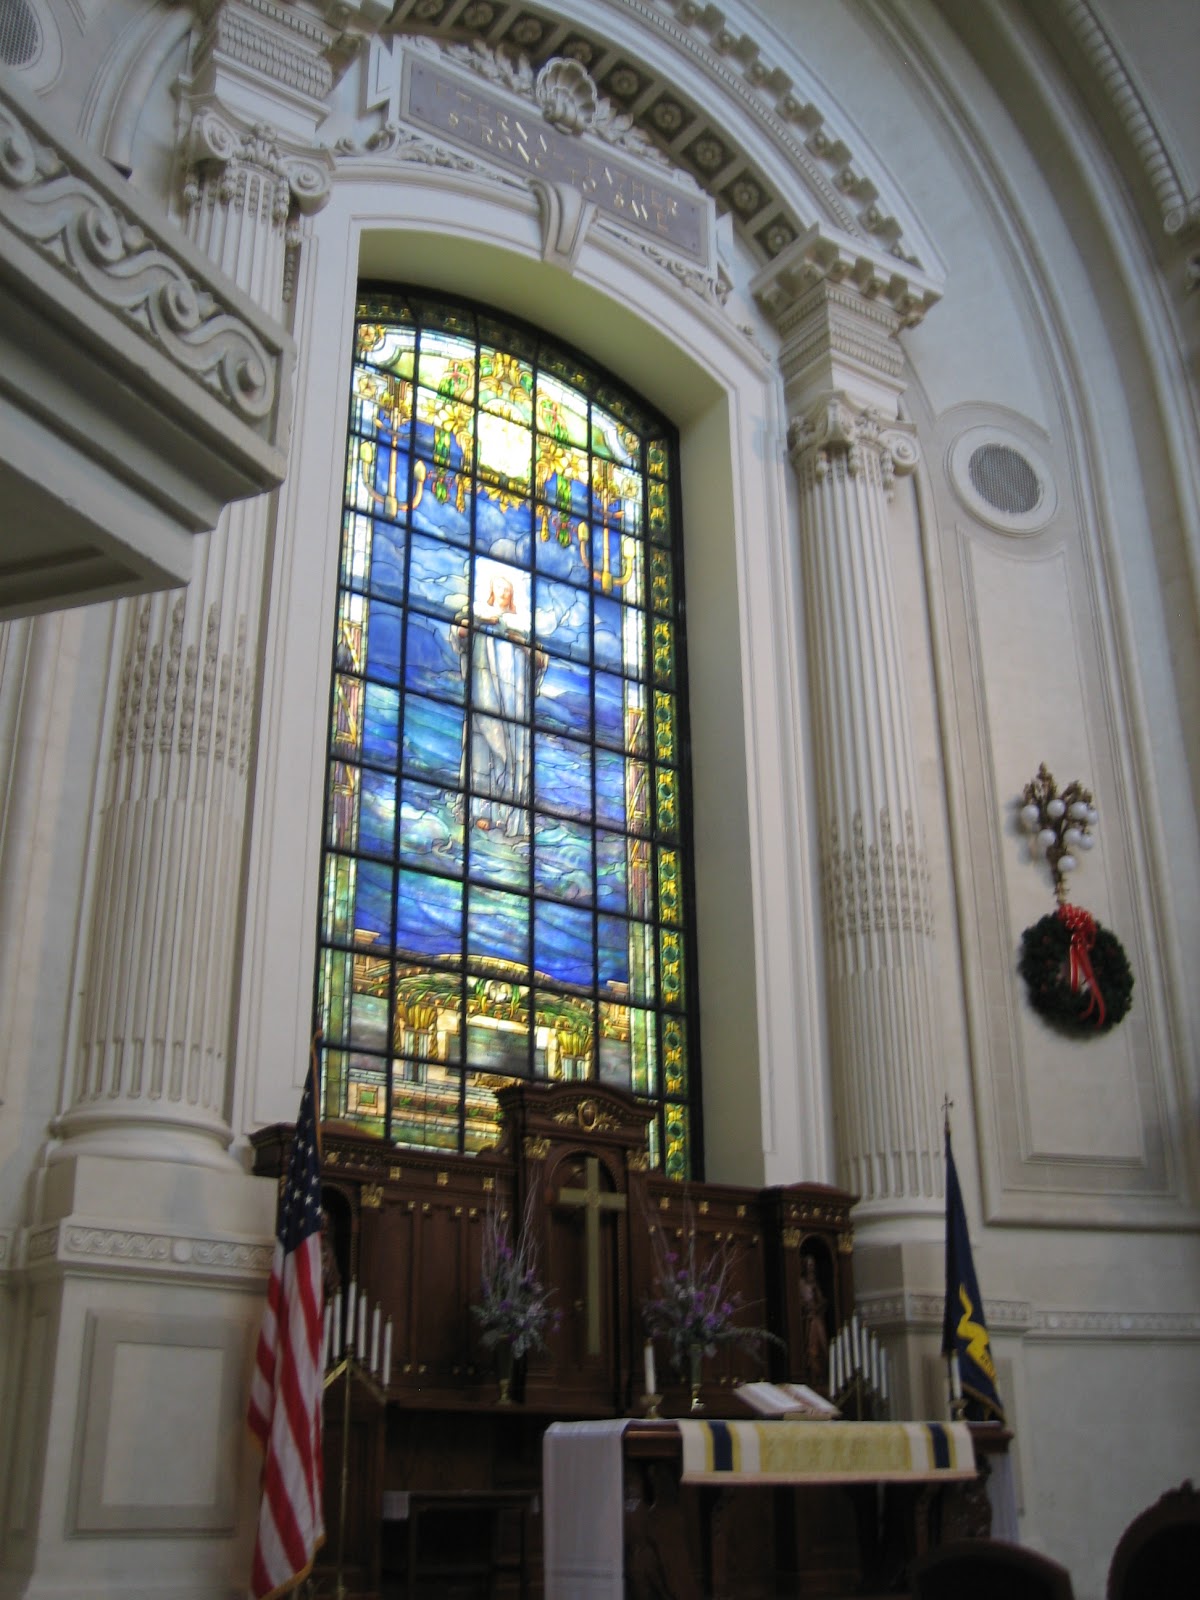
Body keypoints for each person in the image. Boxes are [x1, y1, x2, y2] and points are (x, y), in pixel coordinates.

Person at [451, 569, 547, 837]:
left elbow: (540, 661)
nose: (504, 594)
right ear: (492, 591)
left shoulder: (522, 624)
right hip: (484, 691)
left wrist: (522, 643)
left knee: (512, 751)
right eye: (500, 589)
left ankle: (507, 813)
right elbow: (459, 635)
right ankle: (481, 811)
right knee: (481, 744)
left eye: (508, 591)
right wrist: (478, 623)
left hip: (514, 698)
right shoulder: (478, 612)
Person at [798, 1253, 830, 1391]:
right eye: (808, 1265)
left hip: (816, 1318)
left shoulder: (814, 1283)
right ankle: (811, 1374)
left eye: (812, 1265)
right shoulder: (800, 1283)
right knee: (811, 1348)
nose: (810, 1268)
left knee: (821, 1346)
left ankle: (821, 1375)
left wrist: (818, 1305)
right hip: (808, 1320)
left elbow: (821, 1301)